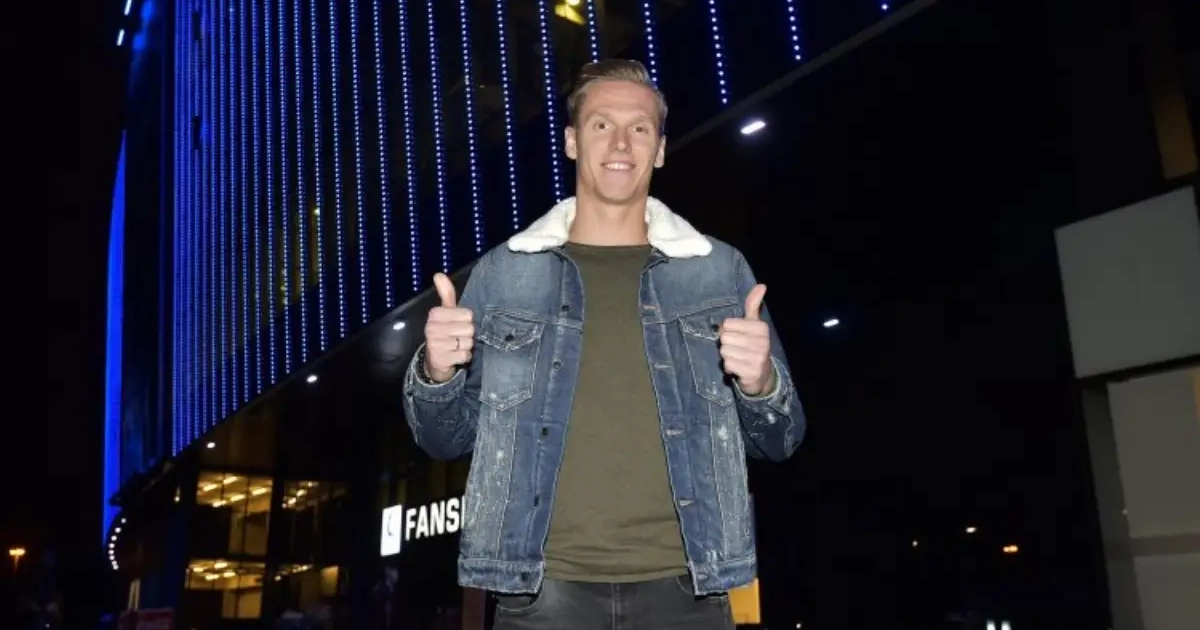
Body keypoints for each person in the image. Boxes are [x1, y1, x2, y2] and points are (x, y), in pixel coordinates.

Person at [403, 58, 806, 630]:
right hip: (542, 594)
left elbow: (782, 440)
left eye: (639, 128)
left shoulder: (718, 272)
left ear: (659, 149)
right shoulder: (506, 272)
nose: (621, 143)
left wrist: (761, 384)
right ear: (572, 141)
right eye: (601, 125)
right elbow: (443, 440)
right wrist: (438, 373)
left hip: (688, 591)